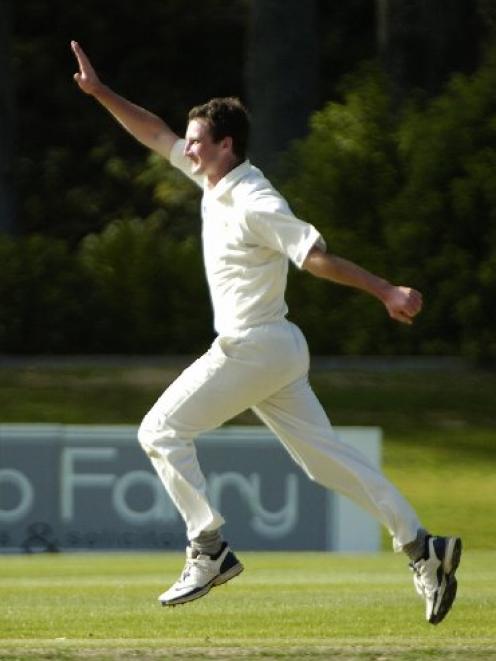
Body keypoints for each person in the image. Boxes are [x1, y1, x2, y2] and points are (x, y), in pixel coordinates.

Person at [71, 40, 461, 624]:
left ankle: (209, 547)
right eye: (190, 139)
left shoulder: (255, 197)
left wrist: (385, 290)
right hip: (276, 349)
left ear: (226, 145)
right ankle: (421, 547)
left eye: (198, 139)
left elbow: (315, 255)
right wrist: (101, 93)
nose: (188, 147)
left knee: (159, 430)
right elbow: (153, 133)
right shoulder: (212, 178)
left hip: (254, 345)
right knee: (324, 463)